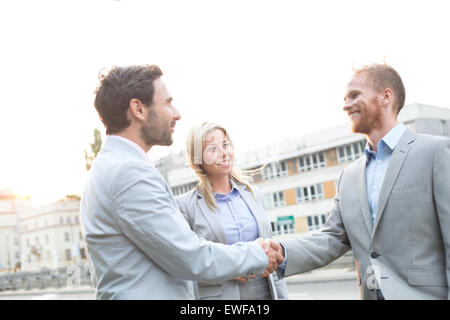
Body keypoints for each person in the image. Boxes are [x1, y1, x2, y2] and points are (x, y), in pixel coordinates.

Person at [80, 65, 284, 299]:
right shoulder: (128, 173)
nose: (176, 113)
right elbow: (190, 256)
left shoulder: (112, 166)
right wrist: (256, 254)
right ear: (138, 109)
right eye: (167, 103)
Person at [274, 63, 450, 300]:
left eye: (354, 95)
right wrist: (280, 253)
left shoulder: (435, 152)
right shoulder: (348, 176)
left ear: (385, 96)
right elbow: (333, 238)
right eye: (345, 98)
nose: (345, 105)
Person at [176, 122, 289, 300]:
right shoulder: (185, 206)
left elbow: (271, 250)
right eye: (212, 148)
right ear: (198, 158)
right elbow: (187, 262)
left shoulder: (253, 194)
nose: (224, 153)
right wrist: (225, 267)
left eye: (226, 144)